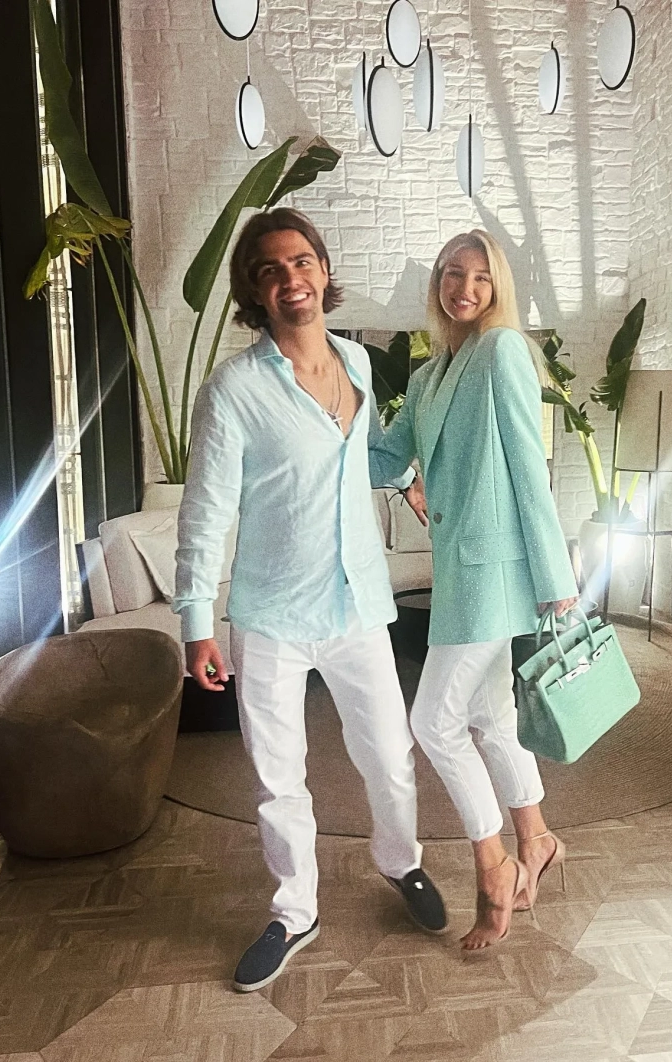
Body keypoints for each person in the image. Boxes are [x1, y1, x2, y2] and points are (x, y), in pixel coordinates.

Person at [172, 207, 446, 993]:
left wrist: (407, 478)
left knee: (389, 755)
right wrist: (196, 622)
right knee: (279, 777)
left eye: (301, 262)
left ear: (323, 271)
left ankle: (401, 861)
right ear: (254, 294)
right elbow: (205, 512)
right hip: (271, 617)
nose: (290, 279)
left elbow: (361, 454)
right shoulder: (233, 391)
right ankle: (296, 912)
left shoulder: (356, 362)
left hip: (358, 602)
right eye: (270, 271)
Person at [369, 230, 579, 951]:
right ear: (437, 282)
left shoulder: (503, 352)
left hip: (498, 574)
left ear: (497, 289)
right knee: (490, 717)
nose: (465, 287)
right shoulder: (430, 375)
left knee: (433, 722)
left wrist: (556, 578)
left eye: (481, 278)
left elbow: (528, 464)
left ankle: (493, 865)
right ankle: (538, 839)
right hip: (459, 571)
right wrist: (336, 411)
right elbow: (384, 457)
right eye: (453, 273)